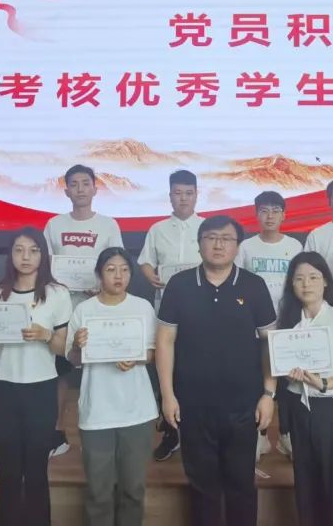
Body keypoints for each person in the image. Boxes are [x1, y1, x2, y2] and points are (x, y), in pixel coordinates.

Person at [156, 215, 277, 526]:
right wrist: (168, 395)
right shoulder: (180, 285)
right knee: (201, 486)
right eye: (211, 237)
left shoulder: (254, 285)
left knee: (242, 485)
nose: (218, 244)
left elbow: (270, 343)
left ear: (237, 246)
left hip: (243, 407)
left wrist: (269, 394)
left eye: (226, 238)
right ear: (199, 245)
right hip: (193, 406)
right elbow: (165, 341)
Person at [0, 228, 71, 526]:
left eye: (33, 250)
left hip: (41, 390)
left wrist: (45, 335)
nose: (26, 257)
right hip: (3, 391)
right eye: (19, 250)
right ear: (10, 255)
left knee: (36, 471)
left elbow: (65, 348)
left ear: (43, 255)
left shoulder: (57, 294)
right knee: (8, 472)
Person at [276, 251, 333, 526]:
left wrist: (325, 383)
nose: (306, 284)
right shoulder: (288, 322)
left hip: (331, 410)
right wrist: (287, 373)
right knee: (305, 485)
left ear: (326, 281)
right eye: (299, 278)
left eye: (313, 277)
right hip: (298, 408)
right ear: (291, 284)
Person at [67, 248, 158, 526]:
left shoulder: (142, 307)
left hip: (137, 411)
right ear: (99, 274)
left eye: (124, 269)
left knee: (133, 489)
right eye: (110, 269)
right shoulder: (84, 310)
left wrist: (136, 358)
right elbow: (73, 359)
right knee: (98, 491)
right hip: (97, 413)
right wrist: (77, 346)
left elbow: (152, 353)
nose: (118, 276)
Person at [43, 163, 125, 457]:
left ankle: (106, 432)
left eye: (85, 183)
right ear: (66, 190)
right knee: (59, 372)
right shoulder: (54, 225)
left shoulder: (108, 225)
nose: (80, 189)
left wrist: (102, 283)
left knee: (101, 370)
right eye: (74, 184)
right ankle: (55, 433)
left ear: (95, 188)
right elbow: (45, 265)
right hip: (61, 310)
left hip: (98, 308)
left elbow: (117, 263)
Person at [139, 169, 204, 462]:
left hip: (202, 312)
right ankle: (171, 432)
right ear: (170, 196)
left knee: (195, 369)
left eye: (188, 193)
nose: (183, 199)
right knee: (168, 370)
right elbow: (145, 262)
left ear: (196, 195)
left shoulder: (206, 228)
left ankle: (196, 431)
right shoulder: (158, 229)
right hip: (167, 310)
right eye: (178, 193)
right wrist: (150, 275)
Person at [234, 190, 303, 460]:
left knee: (288, 384)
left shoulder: (295, 247)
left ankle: (286, 435)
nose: (270, 216)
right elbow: (237, 284)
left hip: (287, 325)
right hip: (255, 327)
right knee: (258, 382)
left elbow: (301, 284)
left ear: (284, 215)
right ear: (256, 215)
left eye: (275, 210)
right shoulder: (246, 247)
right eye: (264, 210)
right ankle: (260, 436)